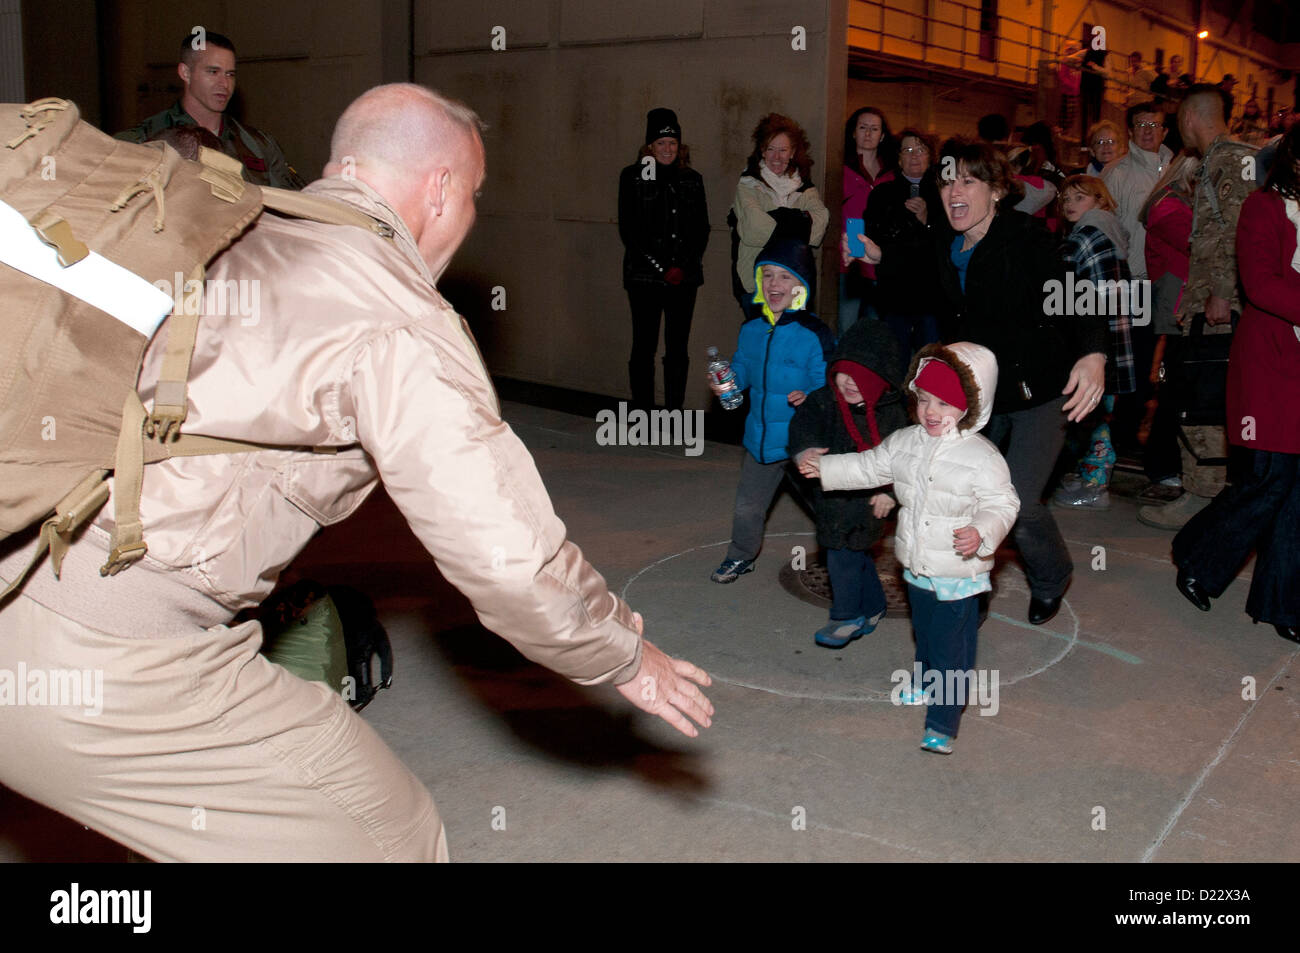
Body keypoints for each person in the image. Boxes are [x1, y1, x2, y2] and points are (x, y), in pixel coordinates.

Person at [0, 84, 714, 862]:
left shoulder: (229, 221)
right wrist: (622, 652)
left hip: (21, 556)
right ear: (440, 190)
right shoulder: (394, 309)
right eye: (471, 196)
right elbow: (506, 557)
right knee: (390, 836)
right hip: (104, 650)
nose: (468, 220)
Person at [846, 140, 1107, 625]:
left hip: (1036, 394)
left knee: (1019, 501)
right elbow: (916, 274)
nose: (954, 191)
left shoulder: (1027, 238)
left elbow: (1076, 296)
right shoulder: (947, 242)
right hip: (976, 397)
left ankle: (1051, 576)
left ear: (998, 190)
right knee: (960, 491)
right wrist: (881, 257)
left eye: (969, 180)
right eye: (947, 181)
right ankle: (969, 584)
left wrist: (1092, 353)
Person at [797, 342, 1020, 754]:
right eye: (924, 400)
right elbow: (870, 465)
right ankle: (923, 682)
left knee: (952, 647)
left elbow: (1002, 503)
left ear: (970, 407)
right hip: (917, 565)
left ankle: (943, 721)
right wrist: (826, 467)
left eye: (945, 403)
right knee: (926, 634)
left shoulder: (982, 457)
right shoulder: (906, 442)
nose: (931, 412)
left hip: (959, 572)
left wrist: (982, 531)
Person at [1171, 124, 1300, 645]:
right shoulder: (1264, 208)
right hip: (1270, 362)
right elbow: (1260, 281)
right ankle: (1199, 556)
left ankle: (1282, 602)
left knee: (1299, 493)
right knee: (1268, 480)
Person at [1139, 85, 1259, 531]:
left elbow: (1239, 231)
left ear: (1189, 117)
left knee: (1205, 404)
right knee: (1197, 398)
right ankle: (1203, 491)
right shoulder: (1220, 160)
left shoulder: (1230, 160)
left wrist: (1222, 292)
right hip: (1208, 301)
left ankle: (1203, 495)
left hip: (1220, 307)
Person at [709, 237, 833, 583]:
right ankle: (741, 556)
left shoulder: (814, 334)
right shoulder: (751, 329)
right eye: (767, 276)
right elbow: (741, 373)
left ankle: (848, 563)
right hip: (761, 440)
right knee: (747, 508)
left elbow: (829, 383)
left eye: (785, 277)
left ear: (801, 287)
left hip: (801, 442)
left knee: (826, 508)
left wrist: (810, 395)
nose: (774, 284)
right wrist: (727, 382)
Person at [787, 318, 909, 647]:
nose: (850, 382)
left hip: (869, 502)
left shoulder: (893, 414)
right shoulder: (824, 399)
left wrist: (890, 493)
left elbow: (904, 457)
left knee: (844, 555)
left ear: (882, 379)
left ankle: (845, 616)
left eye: (863, 375)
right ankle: (873, 606)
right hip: (829, 498)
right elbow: (803, 424)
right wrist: (803, 451)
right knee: (852, 554)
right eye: (844, 372)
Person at [116, 31, 305, 189]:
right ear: (185, 73)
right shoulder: (144, 140)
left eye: (230, 74)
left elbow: (291, 205)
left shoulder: (259, 145)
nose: (224, 84)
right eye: (213, 72)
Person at [1051, 175, 1135, 509]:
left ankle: (1095, 486)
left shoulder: (1084, 236)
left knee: (1090, 415)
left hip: (1092, 343)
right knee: (1101, 413)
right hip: (1115, 338)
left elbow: (1068, 294)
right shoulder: (1113, 233)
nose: (1070, 203)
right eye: (1066, 198)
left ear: (1099, 201)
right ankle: (1092, 478)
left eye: (1080, 197)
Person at [617, 108, 710, 410]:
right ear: (649, 147)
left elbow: (701, 229)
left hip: (684, 278)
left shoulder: (692, 179)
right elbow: (630, 230)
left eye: (672, 142)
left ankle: (674, 412)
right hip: (645, 278)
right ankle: (643, 411)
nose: (667, 149)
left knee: (677, 348)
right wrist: (661, 268)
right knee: (644, 346)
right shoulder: (632, 177)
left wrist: (681, 266)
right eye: (660, 143)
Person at [1102, 102, 1173, 456]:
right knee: (1133, 360)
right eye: (1140, 124)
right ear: (1129, 131)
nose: (1148, 130)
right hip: (1134, 281)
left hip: (1172, 280)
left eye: (1154, 124)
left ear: (1165, 131)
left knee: (1166, 362)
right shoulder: (1116, 174)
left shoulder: (1178, 168)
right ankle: (1121, 438)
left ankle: (1156, 437)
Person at [1136, 153, 1201, 499]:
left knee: (1178, 392)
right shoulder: (1169, 207)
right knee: (1175, 393)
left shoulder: (1173, 203)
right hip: (1179, 311)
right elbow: (1197, 246)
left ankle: (1167, 467)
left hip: (1183, 308)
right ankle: (1163, 468)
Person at [729, 113, 829, 313]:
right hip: (754, 284)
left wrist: (775, 218)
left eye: (783, 150)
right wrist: (798, 222)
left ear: (792, 152)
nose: (777, 157)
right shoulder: (748, 184)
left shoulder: (805, 187)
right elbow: (753, 229)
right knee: (760, 339)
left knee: (792, 342)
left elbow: (819, 225)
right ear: (762, 152)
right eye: (771, 149)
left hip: (795, 286)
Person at [863, 128, 943, 357]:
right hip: (894, 291)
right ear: (899, 158)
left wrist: (926, 220)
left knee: (930, 357)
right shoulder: (881, 193)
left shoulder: (945, 194)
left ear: (931, 156)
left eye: (920, 150)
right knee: (893, 356)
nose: (914, 155)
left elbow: (948, 242)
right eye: (908, 150)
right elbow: (873, 236)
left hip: (931, 295)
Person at [840, 107, 896, 333]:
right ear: (853, 132)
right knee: (847, 326)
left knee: (876, 330)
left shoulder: (892, 172)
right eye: (862, 127)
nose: (868, 133)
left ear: (882, 135)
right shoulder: (841, 167)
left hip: (880, 262)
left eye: (874, 129)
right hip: (849, 259)